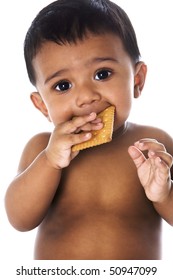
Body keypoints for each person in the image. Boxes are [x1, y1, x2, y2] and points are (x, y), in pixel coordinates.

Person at [5, 0, 173, 260]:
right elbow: (19, 219)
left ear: (137, 80)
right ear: (42, 106)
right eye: (63, 86)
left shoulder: (153, 144)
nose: (86, 97)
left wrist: (164, 193)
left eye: (102, 74)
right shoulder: (41, 148)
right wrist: (50, 161)